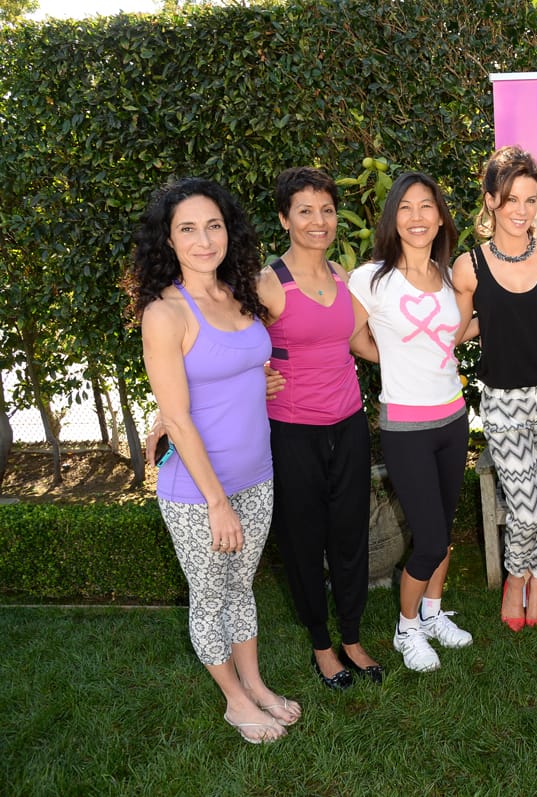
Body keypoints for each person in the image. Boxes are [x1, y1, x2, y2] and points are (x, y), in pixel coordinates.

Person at [127, 177, 300, 743]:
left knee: (241, 586)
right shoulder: (165, 313)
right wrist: (218, 503)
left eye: (214, 225)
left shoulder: (238, 292)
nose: (204, 240)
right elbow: (176, 417)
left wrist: (259, 377)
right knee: (209, 596)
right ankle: (233, 701)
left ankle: (254, 683)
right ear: (168, 241)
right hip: (201, 489)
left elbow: (237, 364)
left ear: (229, 231)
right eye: (188, 229)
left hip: (258, 473)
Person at [258, 167, 383, 688]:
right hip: (293, 434)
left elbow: (360, 343)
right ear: (285, 218)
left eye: (327, 210)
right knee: (306, 542)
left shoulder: (341, 276)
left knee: (352, 536)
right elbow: (228, 344)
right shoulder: (266, 283)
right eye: (305, 210)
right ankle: (322, 645)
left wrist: (431, 358)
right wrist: (254, 376)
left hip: (349, 427)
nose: (319, 220)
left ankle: (352, 636)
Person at [347, 172, 473, 672]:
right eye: (406, 208)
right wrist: (392, 361)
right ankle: (407, 629)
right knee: (431, 535)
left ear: (440, 216)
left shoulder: (448, 277)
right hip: (405, 425)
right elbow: (353, 337)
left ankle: (435, 612)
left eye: (427, 207)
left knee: (441, 526)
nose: (417, 217)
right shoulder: (371, 278)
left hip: (453, 417)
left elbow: (453, 335)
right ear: (392, 219)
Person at [452, 146, 537, 631]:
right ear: (490, 201)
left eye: (530, 199)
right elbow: (458, 328)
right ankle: (514, 578)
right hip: (503, 401)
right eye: (510, 200)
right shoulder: (470, 267)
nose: (522, 211)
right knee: (525, 507)